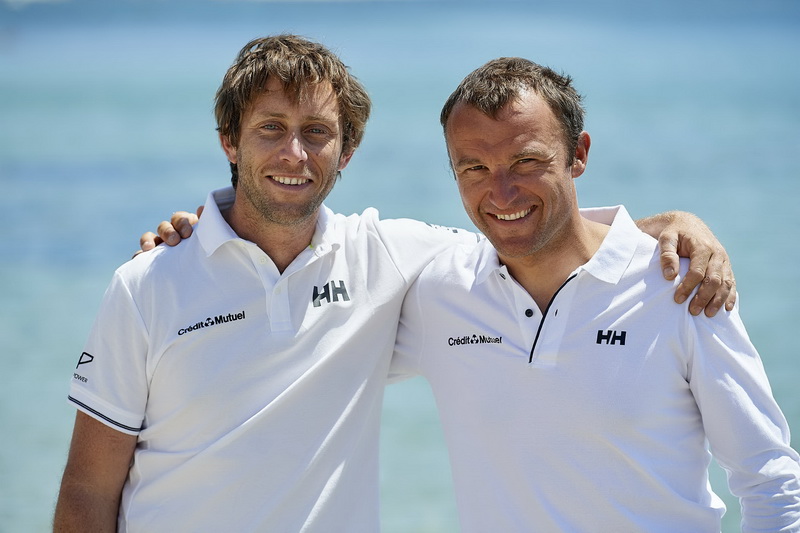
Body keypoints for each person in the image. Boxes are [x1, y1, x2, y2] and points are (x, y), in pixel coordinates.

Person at [56, 35, 735, 532]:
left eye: (317, 132)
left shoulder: (391, 259)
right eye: (271, 129)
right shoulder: (147, 283)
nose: (294, 153)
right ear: (230, 141)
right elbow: (88, 491)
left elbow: (531, 231)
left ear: (346, 151)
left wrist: (672, 224)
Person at [388, 58, 800, 531]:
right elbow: (313, 360)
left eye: (526, 161)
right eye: (474, 168)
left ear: (577, 153)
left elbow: (771, 482)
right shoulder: (439, 293)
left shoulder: (683, 284)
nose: (500, 193)